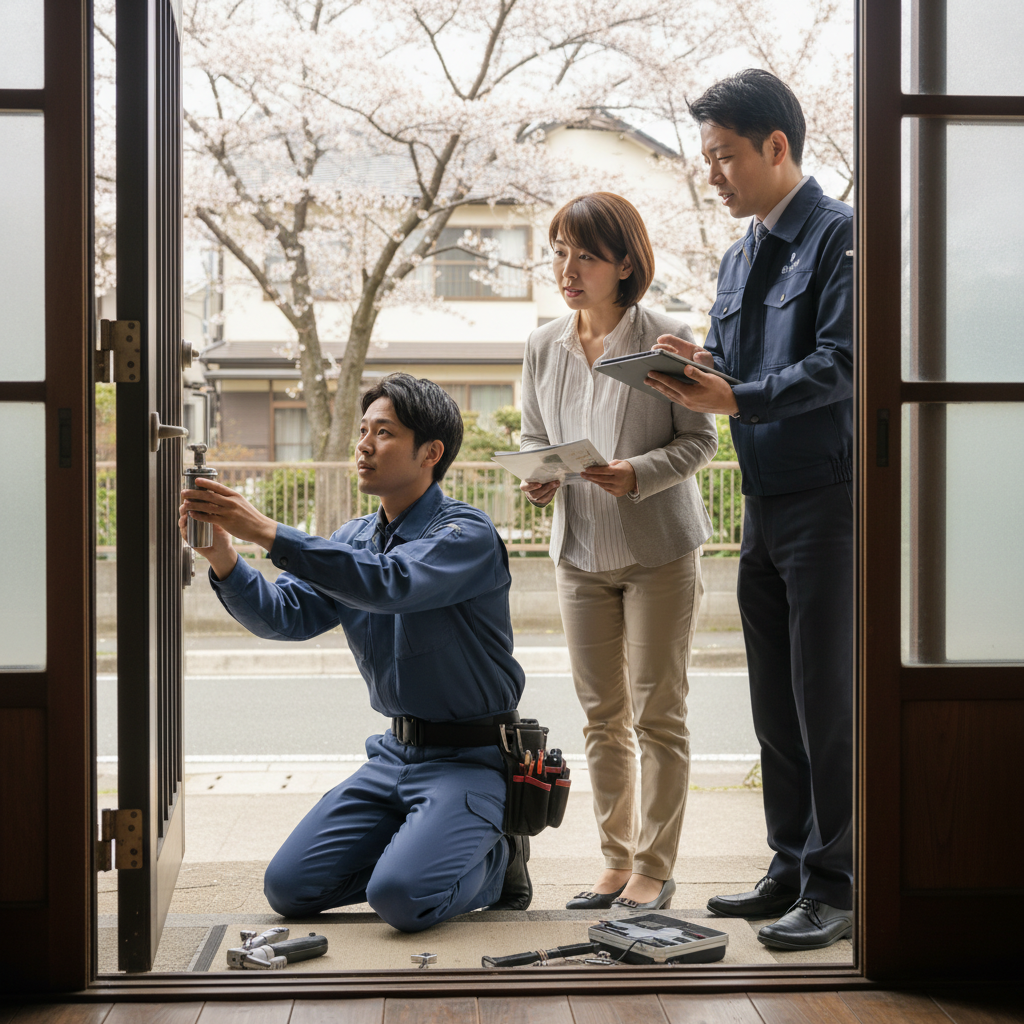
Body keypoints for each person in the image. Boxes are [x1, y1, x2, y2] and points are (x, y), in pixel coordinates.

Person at [178, 373, 530, 933]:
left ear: (430, 453)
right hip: (393, 756)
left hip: (472, 760)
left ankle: (498, 862)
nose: (363, 445)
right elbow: (284, 617)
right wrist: (225, 556)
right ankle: (422, 850)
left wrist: (266, 530)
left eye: (384, 433)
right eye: (363, 430)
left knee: (401, 900)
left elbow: (393, 583)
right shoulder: (355, 538)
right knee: (289, 889)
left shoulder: (466, 534)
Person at [646, 70, 854, 951]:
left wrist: (739, 399)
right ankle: (787, 863)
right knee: (773, 698)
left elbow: (844, 363)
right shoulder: (740, 253)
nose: (713, 174)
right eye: (707, 159)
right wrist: (692, 359)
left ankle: (837, 884)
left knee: (824, 697)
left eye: (725, 156)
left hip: (830, 501)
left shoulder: (842, 237)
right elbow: (733, 364)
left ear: (778, 147)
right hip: (763, 503)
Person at [520, 192, 718, 912]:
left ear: (625, 263)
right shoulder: (543, 344)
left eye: (587, 256)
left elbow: (701, 440)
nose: (568, 269)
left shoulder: (666, 337)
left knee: (657, 714)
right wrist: (541, 478)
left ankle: (654, 869)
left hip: (659, 549)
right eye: (560, 253)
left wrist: (638, 473)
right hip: (578, 552)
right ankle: (614, 860)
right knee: (601, 716)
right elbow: (538, 440)